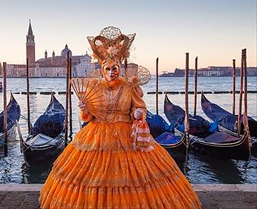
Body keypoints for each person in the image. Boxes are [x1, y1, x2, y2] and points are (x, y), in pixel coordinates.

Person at [39, 26, 201, 208]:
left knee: (136, 179)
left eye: (114, 68)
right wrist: (85, 108)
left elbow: (138, 107)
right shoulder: (94, 87)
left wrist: (137, 113)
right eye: (107, 69)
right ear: (102, 70)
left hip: (126, 135)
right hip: (97, 135)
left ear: (119, 68)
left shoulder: (129, 86)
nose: (111, 72)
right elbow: (88, 117)